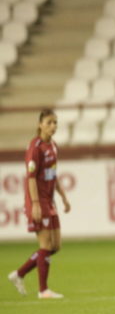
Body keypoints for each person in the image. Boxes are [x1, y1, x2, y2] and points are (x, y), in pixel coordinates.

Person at [8, 109, 71, 299]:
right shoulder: (35, 147)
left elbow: (53, 174)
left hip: (50, 201)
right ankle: (43, 290)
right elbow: (31, 177)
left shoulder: (53, 146)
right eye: (49, 122)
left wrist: (63, 197)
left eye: (55, 122)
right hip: (38, 201)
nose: (53, 126)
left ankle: (19, 274)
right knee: (45, 245)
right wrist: (35, 203)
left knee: (55, 246)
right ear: (40, 124)